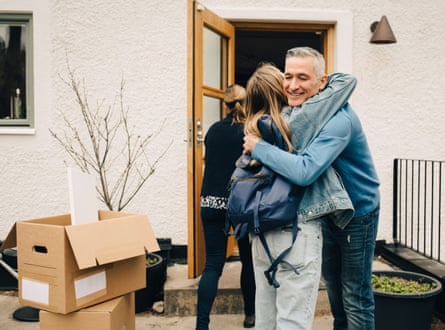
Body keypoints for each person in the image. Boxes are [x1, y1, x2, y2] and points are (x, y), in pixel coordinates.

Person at [244, 47, 380, 330]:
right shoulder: (302, 111)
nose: (293, 86)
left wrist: (260, 147)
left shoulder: (338, 120)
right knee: (333, 289)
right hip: (326, 211)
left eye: (303, 77)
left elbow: (305, 171)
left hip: (357, 213)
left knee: (354, 295)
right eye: (289, 76)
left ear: (322, 82)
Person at [196, 84, 256, 330]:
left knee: (212, 264)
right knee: (249, 261)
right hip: (240, 204)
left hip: (211, 202)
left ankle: (202, 325)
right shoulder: (250, 134)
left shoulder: (212, 132)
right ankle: (250, 316)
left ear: (225, 105)